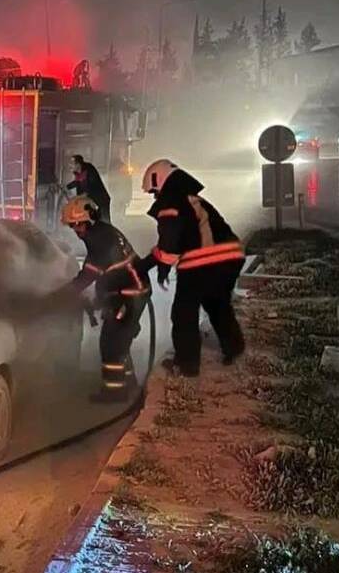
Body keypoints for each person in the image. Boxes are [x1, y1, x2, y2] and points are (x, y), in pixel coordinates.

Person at [135, 159, 246, 377]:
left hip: (203, 261)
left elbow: (168, 246)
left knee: (184, 312)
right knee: (217, 305)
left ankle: (187, 366)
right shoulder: (191, 198)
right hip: (231, 256)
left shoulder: (170, 204)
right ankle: (234, 348)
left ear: (160, 182)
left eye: (154, 192)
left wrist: (145, 265)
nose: (154, 197)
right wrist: (164, 266)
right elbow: (179, 240)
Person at [62, 195, 151, 400]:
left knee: (111, 343)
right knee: (120, 340)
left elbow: (88, 275)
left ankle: (114, 391)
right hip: (127, 292)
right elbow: (107, 272)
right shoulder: (103, 232)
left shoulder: (99, 240)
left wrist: (64, 294)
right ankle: (128, 383)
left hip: (130, 294)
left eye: (77, 225)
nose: (76, 231)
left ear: (89, 219)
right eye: (72, 226)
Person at [66, 155, 111, 222]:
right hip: (91, 202)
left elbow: (90, 188)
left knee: (105, 221)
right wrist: (66, 187)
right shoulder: (78, 173)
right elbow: (78, 182)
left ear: (78, 164)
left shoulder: (89, 170)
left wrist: (76, 198)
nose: (69, 165)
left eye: (71, 163)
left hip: (101, 200)